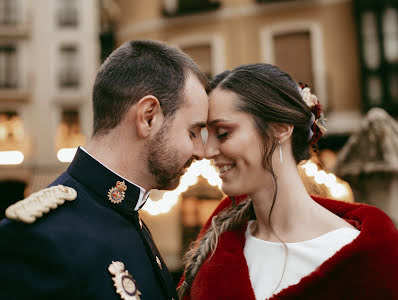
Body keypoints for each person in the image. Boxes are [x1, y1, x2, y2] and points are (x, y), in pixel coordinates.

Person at [0, 40, 209, 300]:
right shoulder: (37, 241)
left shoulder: (130, 217)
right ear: (148, 117)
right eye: (193, 132)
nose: (202, 152)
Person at [178, 63, 398, 300]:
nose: (207, 150)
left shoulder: (364, 257)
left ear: (280, 129)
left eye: (223, 133)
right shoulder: (216, 246)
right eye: (205, 135)